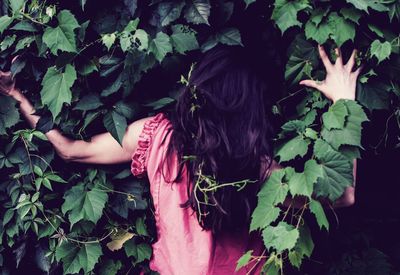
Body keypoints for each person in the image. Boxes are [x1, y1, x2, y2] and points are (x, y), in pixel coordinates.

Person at [0, 44, 362, 274]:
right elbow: (344, 195)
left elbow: (70, 150)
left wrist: (20, 97)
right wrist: (345, 103)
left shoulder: (157, 137)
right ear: (253, 110)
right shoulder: (261, 171)